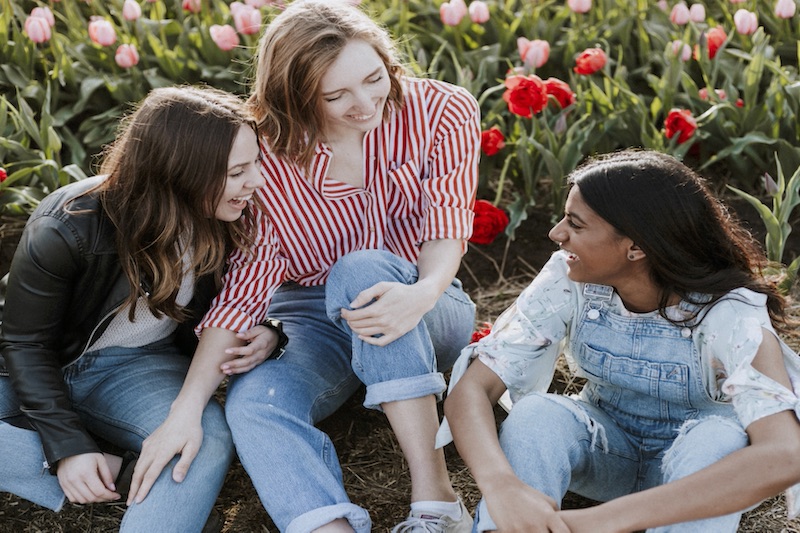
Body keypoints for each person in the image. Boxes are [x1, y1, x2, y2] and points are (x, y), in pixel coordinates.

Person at [199, 0, 481, 530]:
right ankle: (328, 525)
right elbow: (252, 273)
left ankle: (438, 502)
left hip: (426, 300)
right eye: (335, 96)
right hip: (311, 316)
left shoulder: (444, 110)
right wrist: (267, 330)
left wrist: (418, 295)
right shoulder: (265, 148)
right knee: (255, 405)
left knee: (362, 271)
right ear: (294, 96)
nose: (364, 103)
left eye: (374, 78)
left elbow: (447, 232)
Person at [441, 149, 800, 532]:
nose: (556, 233)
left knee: (716, 437)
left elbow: (784, 453)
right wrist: (502, 486)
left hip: (697, 479)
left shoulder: (730, 314)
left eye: (575, 225)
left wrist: (597, 523)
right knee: (536, 415)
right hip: (608, 451)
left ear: (636, 247)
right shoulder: (568, 278)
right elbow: (472, 389)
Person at [0, 85, 273, 532]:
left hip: (136, 367)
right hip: (35, 365)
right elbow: (26, 343)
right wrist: (66, 447)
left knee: (200, 442)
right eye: (238, 171)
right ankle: (116, 470)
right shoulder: (68, 226)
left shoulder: (234, 215)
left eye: (255, 163)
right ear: (179, 174)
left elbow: (263, 287)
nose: (256, 181)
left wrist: (271, 328)